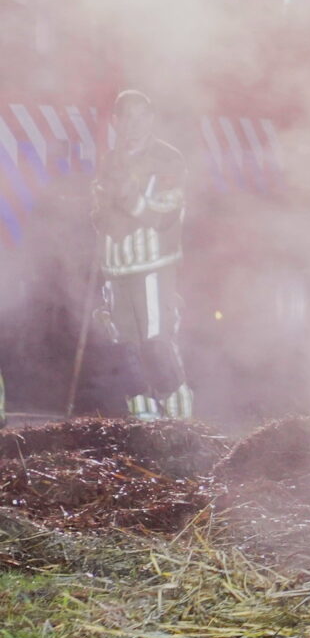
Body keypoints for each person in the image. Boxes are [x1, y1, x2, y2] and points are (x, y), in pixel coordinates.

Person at [91, 89, 191, 420]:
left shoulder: (167, 158)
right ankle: (144, 428)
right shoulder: (110, 160)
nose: (134, 124)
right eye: (127, 117)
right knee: (125, 351)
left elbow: (165, 213)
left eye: (141, 115)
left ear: (151, 118)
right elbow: (100, 213)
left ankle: (180, 428)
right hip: (116, 269)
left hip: (152, 268)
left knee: (156, 345)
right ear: (116, 122)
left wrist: (129, 200)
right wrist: (103, 212)